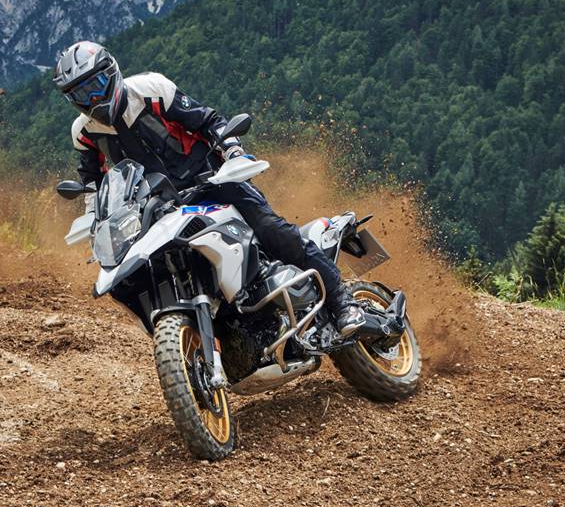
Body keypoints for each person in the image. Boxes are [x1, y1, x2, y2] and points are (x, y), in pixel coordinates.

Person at [52, 40, 365, 335]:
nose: (92, 99)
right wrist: (95, 220)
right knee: (139, 271)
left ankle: (343, 301)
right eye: (80, 94)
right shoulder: (83, 132)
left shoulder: (151, 90)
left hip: (211, 180)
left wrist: (233, 151)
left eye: (95, 86)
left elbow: (207, 120)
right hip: (157, 207)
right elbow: (94, 184)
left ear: (111, 73)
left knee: (271, 229)